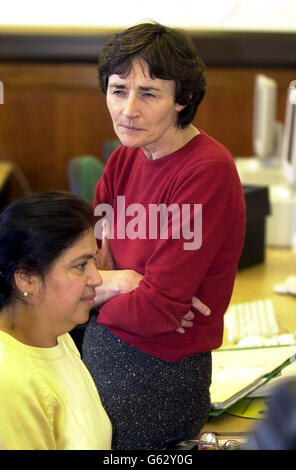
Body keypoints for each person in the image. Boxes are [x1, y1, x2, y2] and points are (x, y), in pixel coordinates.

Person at [82, 21, 246, 450]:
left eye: (149, 93)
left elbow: (155, 310)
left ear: (183, 99)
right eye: (118, 90)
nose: (128, 110)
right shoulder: (123, 160)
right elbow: (84, 264)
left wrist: (93, 297)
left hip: (158, 378)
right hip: (98, 356)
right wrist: (121, 283)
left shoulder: (205, 171)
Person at [0, 191, 112, 450]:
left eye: (93, 261)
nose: (97, 279)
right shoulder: (8, 380)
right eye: (80, 266)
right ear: (26, 277)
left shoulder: (58, 335)